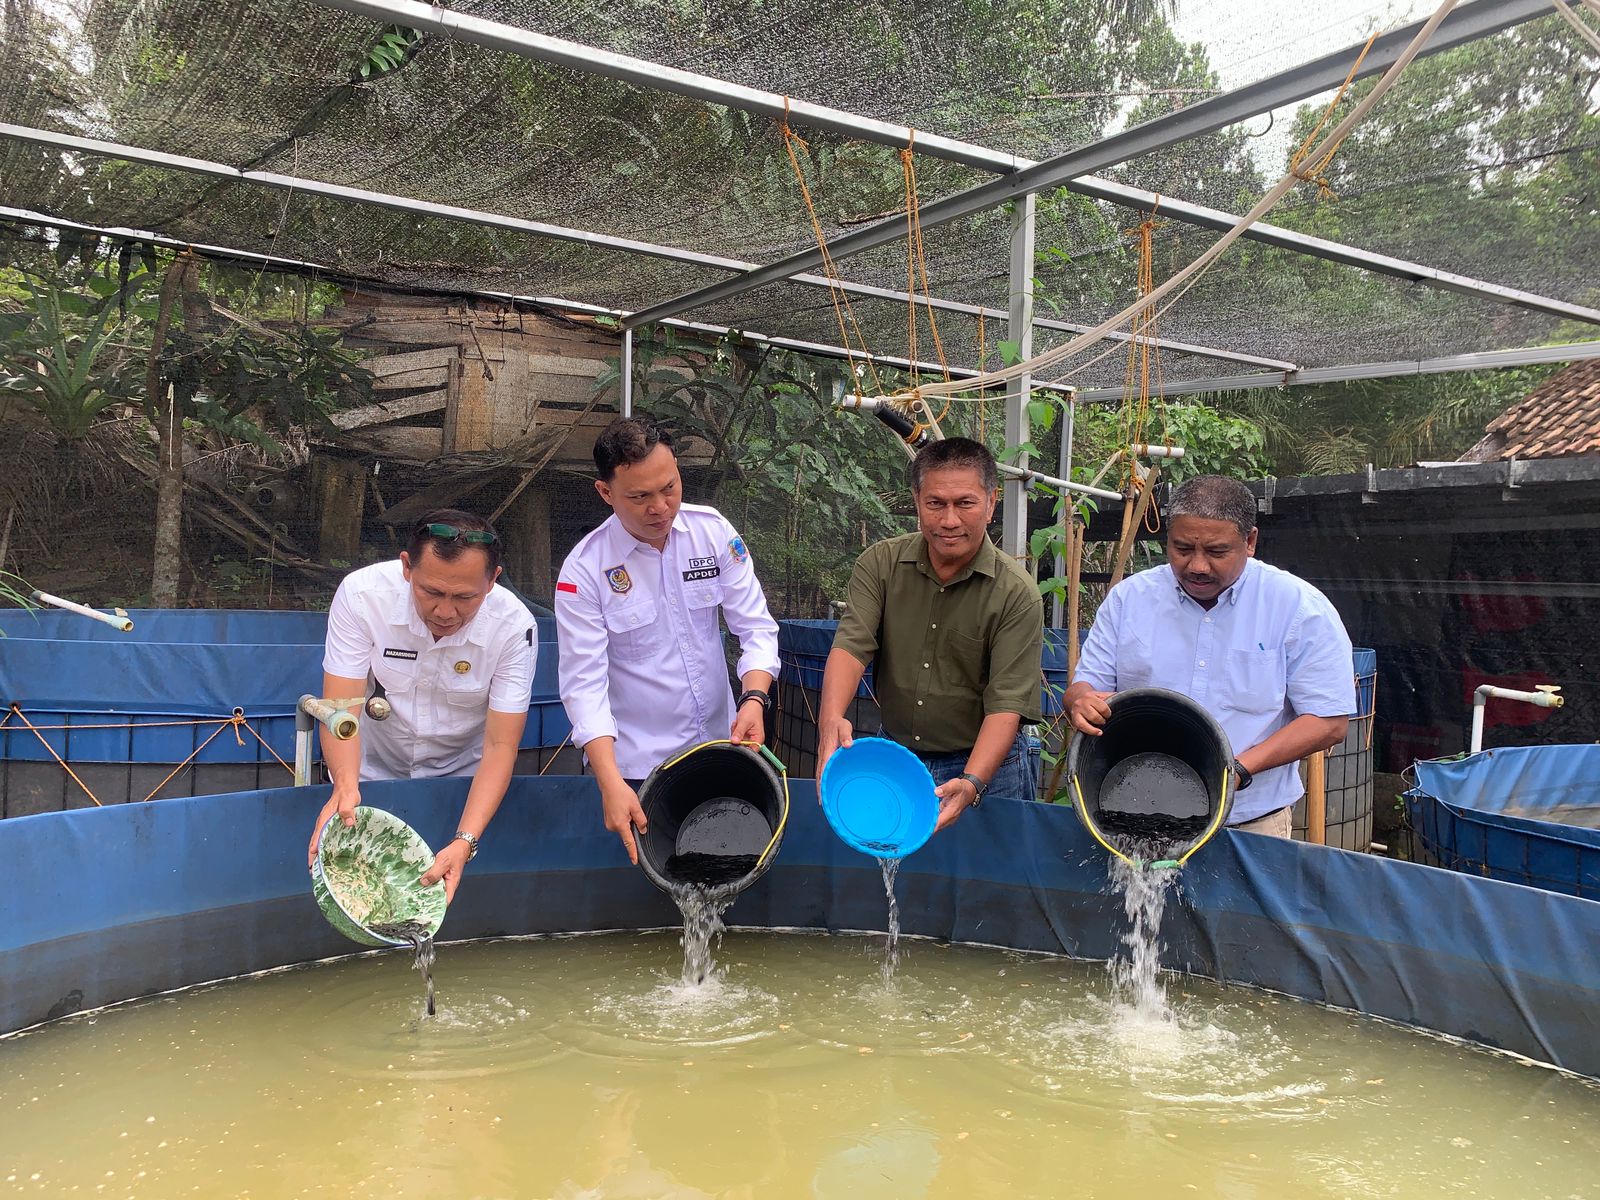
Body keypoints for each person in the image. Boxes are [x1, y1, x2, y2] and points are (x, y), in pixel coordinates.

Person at [1064, 474, 1355, 837]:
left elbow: (1329, 721)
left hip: (1250, 823)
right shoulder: (1129, 600)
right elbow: (1084, 688)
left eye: (1217, 552)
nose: (1197, 566)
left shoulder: (1298, 608)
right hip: (1135, 811)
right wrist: (1080, 701)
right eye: (1182, 548)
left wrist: (1237, 770)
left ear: (1250, 541)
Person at [555, 417, 780, 865]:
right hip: (639, 770)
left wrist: (754, 699)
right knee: (651, 879)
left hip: (723, 748)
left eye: (670, 488)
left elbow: (756, 626)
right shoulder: (584, 571)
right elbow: (583, 685)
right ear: (605, 493)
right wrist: (609, 782)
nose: (660, 507)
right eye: (640, 497)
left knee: (730, 866)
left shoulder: (712, 532)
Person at [815, 437, 1045, 832]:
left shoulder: (1016, 594)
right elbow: (851, 645)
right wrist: (830, 720)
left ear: (991, 503)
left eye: (965, 503)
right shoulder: (881, 564)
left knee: (989, 869)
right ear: (917, 501)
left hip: (988, 767)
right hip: (896, 758)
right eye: (936, 503)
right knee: (892, 861)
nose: (949, 520)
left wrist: (972, 782)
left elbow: (1006, 705)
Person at [305, 509, 535, 898]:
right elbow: (341, 709)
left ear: (493, 581)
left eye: (465, 597)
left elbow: (501, 745)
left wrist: (465, 841)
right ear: (407, 568)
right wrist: (345, 784)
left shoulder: (515, 627)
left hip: (463, 785)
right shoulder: (362, 596)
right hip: (368, 777)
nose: (445, 612)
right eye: (431, 592)